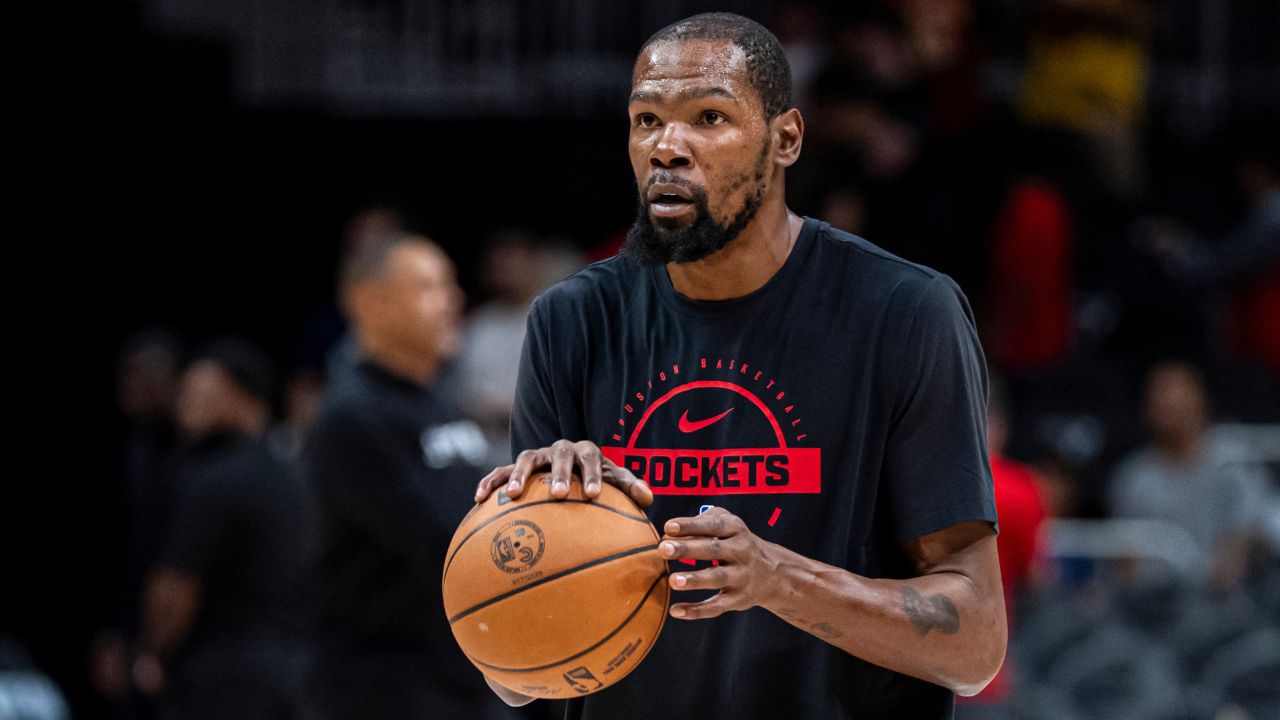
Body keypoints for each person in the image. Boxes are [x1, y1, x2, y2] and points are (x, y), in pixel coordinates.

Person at [474, 12, 1005, 720]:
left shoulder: (905, 314)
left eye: (710, 117)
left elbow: (975, 647)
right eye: (646, 121)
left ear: (786, 139)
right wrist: (540, 527)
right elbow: (514, 680)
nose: (668, 147)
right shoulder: (572, 321)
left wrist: (776, 578)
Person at [301, 234, 513, 720]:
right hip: (382, 685)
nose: (452, 300)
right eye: (428, 287)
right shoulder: (351, 417)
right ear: (369, 304)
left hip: (462, 674)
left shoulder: (442, 401)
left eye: (450, 285)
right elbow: (446, 541)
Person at [133, 338, 308, 720]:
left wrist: (153, 651)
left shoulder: (211, 477)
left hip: (222, 676)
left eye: (202, 390)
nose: (187, 401)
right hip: (293, 672)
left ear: (246, 398)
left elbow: (175, 584)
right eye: (185, 391)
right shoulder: (296, 473)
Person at [1108, 361, 1273, 591]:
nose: (1168, 399)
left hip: (1232, 595)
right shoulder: (1132, 476)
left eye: (1178, 390)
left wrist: (1223, 574)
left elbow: (1252, 532)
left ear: (1202, 400)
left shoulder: (1233, 459)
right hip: (1158, 598)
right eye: (1159, 392)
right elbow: (1128, 562)